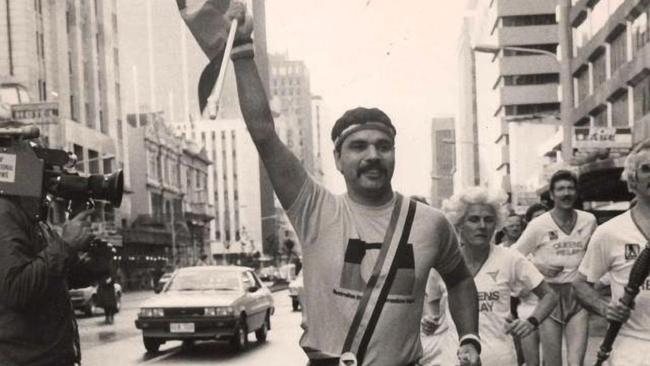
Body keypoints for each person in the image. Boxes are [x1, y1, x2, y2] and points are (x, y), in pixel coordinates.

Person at [225, 4, 481, 365]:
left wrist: (470, 338)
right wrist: (241, 50)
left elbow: (459, 280)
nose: (373, 155)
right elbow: (265, 135)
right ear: (337, 159)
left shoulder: (430, 222)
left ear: (395, 153)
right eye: (359, 146)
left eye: (384, 146)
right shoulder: (314, 208)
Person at [440, 187, 557, 365]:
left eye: (488, 220)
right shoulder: (446, 261)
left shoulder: (510, 257)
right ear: (459, 223)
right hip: (455, 357)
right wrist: (430, 320)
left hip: (499, 357)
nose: (482, 226)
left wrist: (531, 322)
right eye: (473, 219)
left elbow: (550, 295)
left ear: (497, 224)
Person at [573, 140, 650, 366]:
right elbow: (580, 284)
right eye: (647, 169)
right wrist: (605, 308)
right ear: (633, 179)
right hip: (632, 347)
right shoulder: (610, 232)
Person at [0, 194, 98, 365]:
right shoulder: (5, 212)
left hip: (48, 357)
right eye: (51, 167)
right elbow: (17, 287)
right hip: (28, 359)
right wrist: (65, 245)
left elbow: (57, 279)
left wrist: (96, 264)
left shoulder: (34, 218)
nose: (58, 174)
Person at [513, 170, 597, 366]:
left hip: (578, 295)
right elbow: (514, 256)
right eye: (560, 189)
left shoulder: (589, 220)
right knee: (553, 363)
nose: (566, 193)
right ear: (551, 195)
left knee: (577, 362)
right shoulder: (538, 225)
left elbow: (594, 254)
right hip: (549, 297)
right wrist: (538, 266)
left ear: (576, 192)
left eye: (570, 188)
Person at [515, 203, 549, 366]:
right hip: (527, 311)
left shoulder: (555, 252)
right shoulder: (520, 255)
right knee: (531, 362)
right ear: (528, 224)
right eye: (537, 219)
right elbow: (517, 292)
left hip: (551, 312)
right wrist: (536, 269)